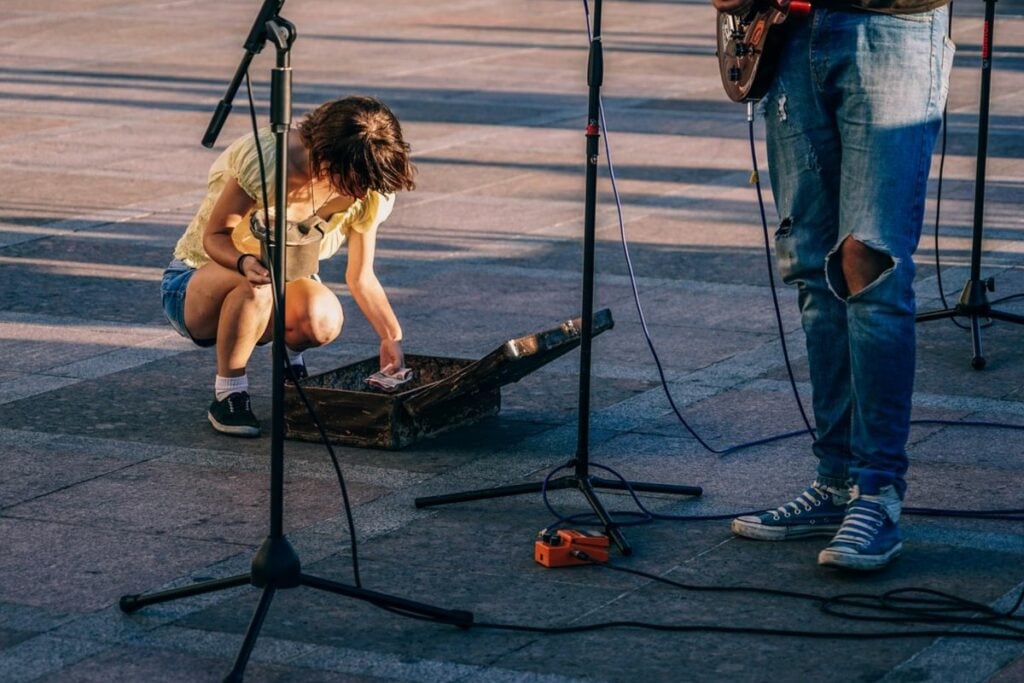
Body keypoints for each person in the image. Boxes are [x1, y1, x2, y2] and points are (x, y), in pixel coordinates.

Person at [715, 0, 954, 569]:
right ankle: (836, 481)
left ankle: (877, 493)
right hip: (788, 28)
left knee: (870, 266)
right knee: (810, 264)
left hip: (889, 25)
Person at [161, 95, 415, 438]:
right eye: (353, 180)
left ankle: (289, 365)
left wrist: (390, 337)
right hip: (197, 284)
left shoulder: (369, 185)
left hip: (281, 286)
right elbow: (215, 236)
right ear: (324, 157)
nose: (360, 192)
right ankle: (230, 393)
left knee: (321, 318)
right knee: (259, 282)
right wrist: (243, 261)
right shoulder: (270, 159)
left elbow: (361, 275)